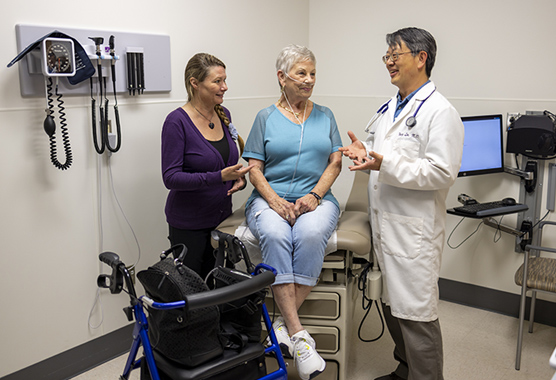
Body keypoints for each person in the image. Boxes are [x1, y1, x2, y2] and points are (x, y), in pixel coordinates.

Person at [339, 28, 464, 380]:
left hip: (413, 230)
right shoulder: (393, 105)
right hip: (385, 224)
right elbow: (384, 147)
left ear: (421, 58)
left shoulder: (440, 112)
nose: (389, 62)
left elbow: (441, 172)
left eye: (396, 55)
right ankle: (404, 369)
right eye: (387, 56)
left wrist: (383, 165)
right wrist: (364, 150)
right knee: (390, 304)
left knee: (416, 314)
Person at [242, 44, 342, 380]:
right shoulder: (265, 118)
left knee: (311, 233)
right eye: (302, 73)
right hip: (271, 197)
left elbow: (335, 160)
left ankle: (284, 327)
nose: (309, 80)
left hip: (316, 198)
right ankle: (300, 337)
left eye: (313, 73)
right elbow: (253, 166)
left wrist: (315, 195)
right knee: (274, 232)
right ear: (282, 77)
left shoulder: (325, 115)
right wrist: (273, 200)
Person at [161, 53, 252, 279]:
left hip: (222, 222)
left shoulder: (223, 115)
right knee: (195, 296)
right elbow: (170, 178)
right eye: (217, 81)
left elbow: (225, 165)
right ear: (195, 83)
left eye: (224, 80)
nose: (225, 87)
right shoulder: (177, 122)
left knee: (221, 292)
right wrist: (218, 177)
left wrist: (237, 178)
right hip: (189, 225)